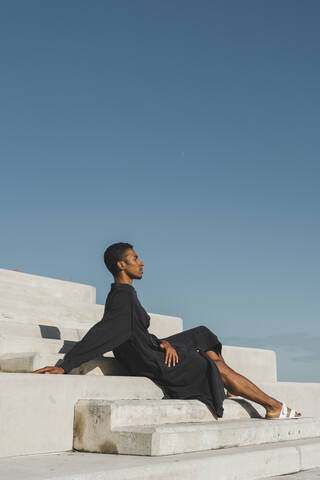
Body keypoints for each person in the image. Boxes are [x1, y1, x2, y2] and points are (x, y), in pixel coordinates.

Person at [33, 242, 301, 419]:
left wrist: (162, 341)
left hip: (152, 348)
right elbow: (103, 333)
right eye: (135, 259)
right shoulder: (122, 298)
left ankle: (227, 382)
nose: (142, 262)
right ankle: (273, 406)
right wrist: (66, 365)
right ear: (121, 265)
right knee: (213, 366)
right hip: (150, 361)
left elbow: (134, 330)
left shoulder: (125, 294)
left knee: (202, 334)